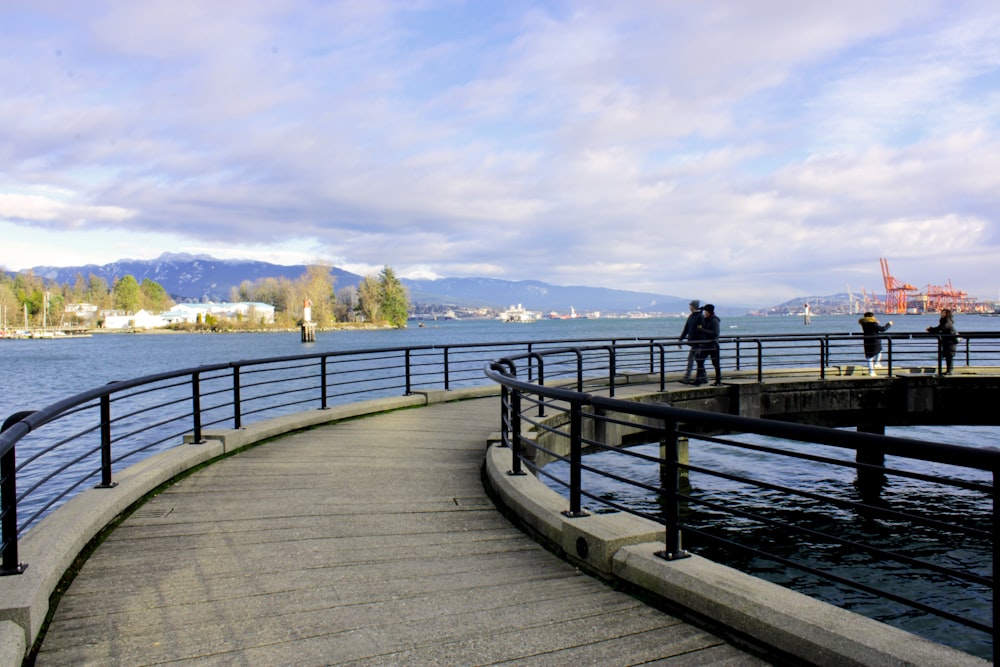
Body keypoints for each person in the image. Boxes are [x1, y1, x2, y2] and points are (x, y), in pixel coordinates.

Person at [694, 303, 721, 385]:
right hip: (705, 345)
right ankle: (699, 379)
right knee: (699, 360)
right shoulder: (706, 319)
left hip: (713, 345)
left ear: (709, 312)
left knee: (715, 363)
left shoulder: (714, 320)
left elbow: (715, 333)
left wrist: (702, 330)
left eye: (705, 311)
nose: (704, 313)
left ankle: (718, 380)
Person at [858, 312, 893, 376]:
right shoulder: (874, 324)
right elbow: (883, 329)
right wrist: (889, 324)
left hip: (867, 341)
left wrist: (876, 323)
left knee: (869, 356)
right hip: (875, 341)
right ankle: (876, 363)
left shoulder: (864, 323)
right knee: (879, 351)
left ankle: (871, 371)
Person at [678, 300, 704, 383]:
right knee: (694, 360)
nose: (689, 306)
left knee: (695, 360)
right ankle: (702, 376)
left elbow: (701, 330)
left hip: (698, 343)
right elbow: (686, 329)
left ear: (693, 306)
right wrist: (681, 339)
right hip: (693, 343)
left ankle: (688, 377)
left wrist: (701, 341)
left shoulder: (700, 316)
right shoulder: (691, 316)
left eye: (690, 305)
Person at [926, 308, 959, 375]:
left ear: (947, 314)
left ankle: (949, 371)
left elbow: (942, 328)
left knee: (949, 355)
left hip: (951, 340)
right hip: (947, 340)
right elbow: (940, 328)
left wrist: (931, 329)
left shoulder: (948, 320)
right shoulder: (943, 320)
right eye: (942, 312)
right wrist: (931, 329)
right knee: (947, 355)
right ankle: (948, 370)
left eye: (943, 313)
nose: (941, 314)